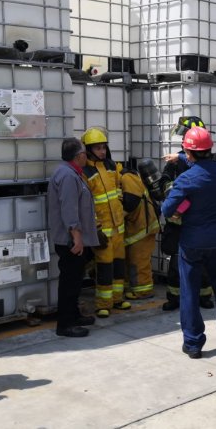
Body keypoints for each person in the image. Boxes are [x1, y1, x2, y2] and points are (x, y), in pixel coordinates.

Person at [161, 126, 216, 358]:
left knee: (189, 292)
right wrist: (181, 156)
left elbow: (167, 209)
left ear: (189, 151)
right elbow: (203, 165)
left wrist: (179, 206)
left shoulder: (186, 179)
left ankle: (194, 343)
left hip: (192, 243)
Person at [160, 116, 214, 312]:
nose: (183, 139)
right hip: (177, 220)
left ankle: (204, 295)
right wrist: (172, 191)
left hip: (198, 221)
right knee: (175, 260)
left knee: (202, 260)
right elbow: (163, 182)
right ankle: (174, 297)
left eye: (185, 134)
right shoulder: (175, 161)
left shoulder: (209, 161)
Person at [48, 138, 98, 337]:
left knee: (75, 280)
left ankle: (74, 315)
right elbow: (69, 209)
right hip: (70, 240)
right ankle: (65, 324)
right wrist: (76, 237)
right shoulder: (68, 176)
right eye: (85, 153)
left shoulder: (71, 173)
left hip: (74, 238)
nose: (87, 156)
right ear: (79, 156)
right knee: (69, 281)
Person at [80, 127, 131, 318]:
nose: (102, 151)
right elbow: (86, 204)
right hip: (103, 230)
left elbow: (117, 189)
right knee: (104, 267)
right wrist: (95, 228)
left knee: (119, 265)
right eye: (97, 148)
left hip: (118, 228)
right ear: (87, 149)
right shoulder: (85, 172)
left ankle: (117, 299)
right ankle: (103, 303)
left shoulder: (111, 166)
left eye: (104, 147)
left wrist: (120, 209)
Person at [121, 157, 159, 300]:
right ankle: (129, 287)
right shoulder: (125, 177)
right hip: (137, 227)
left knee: (139, 261)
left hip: (143, 227)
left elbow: (131, 202)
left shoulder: (126, 178)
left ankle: (144, 291)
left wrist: (118, 216)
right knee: (130, 260)